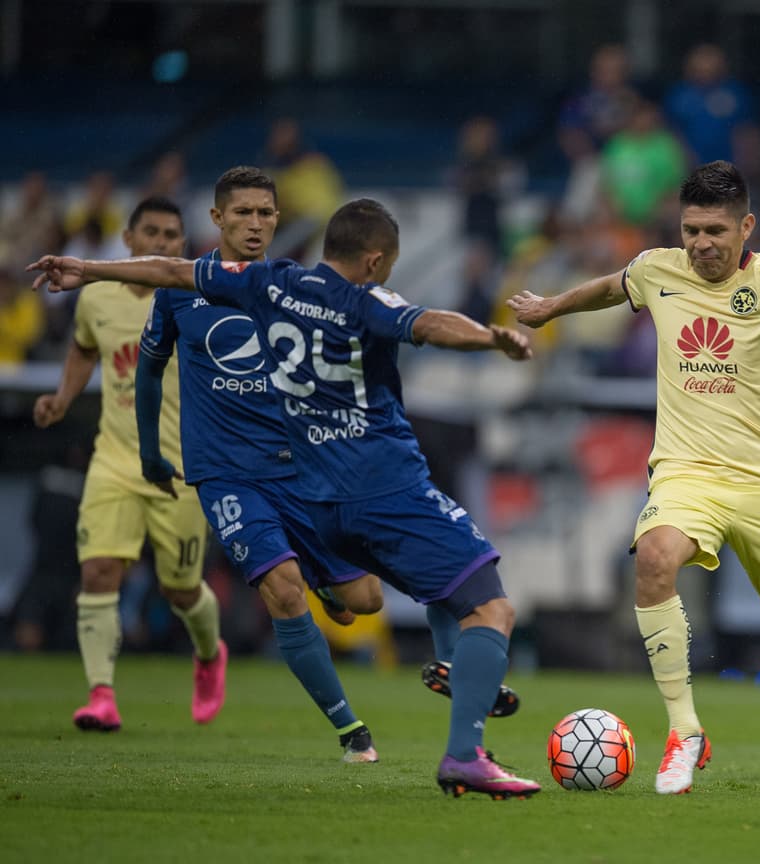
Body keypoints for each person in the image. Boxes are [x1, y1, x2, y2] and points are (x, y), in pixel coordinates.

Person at [30, 198, 539, 800]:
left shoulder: (269, 284)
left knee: (378, 597)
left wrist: (88, 268)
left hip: (319, 498)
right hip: (378, 483)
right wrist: (490, 339)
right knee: (488, 602)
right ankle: (460, 752)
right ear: (375, 261)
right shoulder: (366, 300)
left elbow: (170, 270)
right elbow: (428, 324)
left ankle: (458, 671)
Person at [508, 160, 760, 795]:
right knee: (654, 559)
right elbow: (610, 287)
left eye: (715, 231)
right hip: (685, 473)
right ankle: (685, 731)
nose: (701, 244)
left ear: (746, 227)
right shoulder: (658, 269)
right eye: (691, 230)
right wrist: (549, 308)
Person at [133, 166, 386, 762]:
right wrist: (150, 451)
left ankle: (325, 580)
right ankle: (352, 731)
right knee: (282, 589)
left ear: (277, 220)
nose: (254, 224)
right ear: (217, 218)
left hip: (299, 466)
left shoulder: (296, 287)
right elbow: (148, 369)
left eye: (265, 213)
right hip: (225, 472)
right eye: (242, 212)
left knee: (367, 600)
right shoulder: (181, 288)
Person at [31, 196, 225, 732]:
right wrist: (62, 399)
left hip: (183, 469)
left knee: (180, 588)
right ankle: (101, 695)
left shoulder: (199, 299)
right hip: (115, 459)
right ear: (129, 239)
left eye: (171, 235)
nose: (162, 242)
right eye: (152, 233)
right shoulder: (96, 298)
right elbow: (83, 348)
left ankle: (210, 654)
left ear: (183, 245)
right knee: (98, 571)